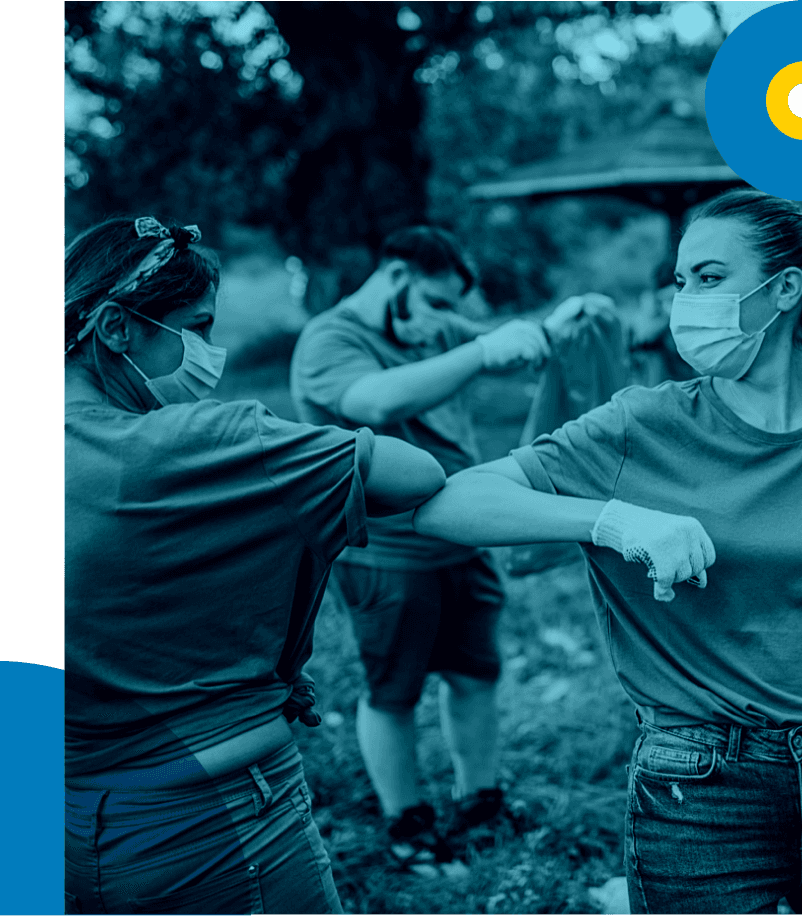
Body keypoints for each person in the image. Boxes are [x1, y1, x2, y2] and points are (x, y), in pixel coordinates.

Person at [412, 189, 802, 916]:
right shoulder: (642, 425)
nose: (685, 299)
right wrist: (612, 520)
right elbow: (447, 504)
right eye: (681, 280)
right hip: (701, 784)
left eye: (711, 278)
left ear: (785, 288)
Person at [64, 215, 451, 916]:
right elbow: (415, 474)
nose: (212, 351)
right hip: (213, 824)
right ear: (118, 330)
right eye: (197, 327)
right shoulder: (200, 442)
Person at [289, 225, 687, 871]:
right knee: (394, 691)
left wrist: (550, 325)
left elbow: (494, 336)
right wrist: (478, 351)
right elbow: (373, 399)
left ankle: (479, 802)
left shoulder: (432, 328)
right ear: (397, 277)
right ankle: (407, 824)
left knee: (476, 675)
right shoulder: (332, 339)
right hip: (384, 550)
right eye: (438, 301)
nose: (447, 321)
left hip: (461, 535)